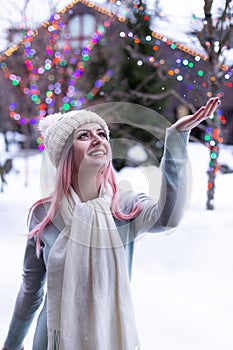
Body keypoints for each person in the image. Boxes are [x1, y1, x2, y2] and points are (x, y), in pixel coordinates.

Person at [2, 97, 220, 350]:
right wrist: (11, 345)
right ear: (65, 155)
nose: (98, 139)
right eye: (83, 136)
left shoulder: (124, 206)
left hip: (110, 339)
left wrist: (176, 139)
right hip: (53, 340)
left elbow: (168, 218)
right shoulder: (44, 214)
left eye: (102, 134)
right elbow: (31, 291)